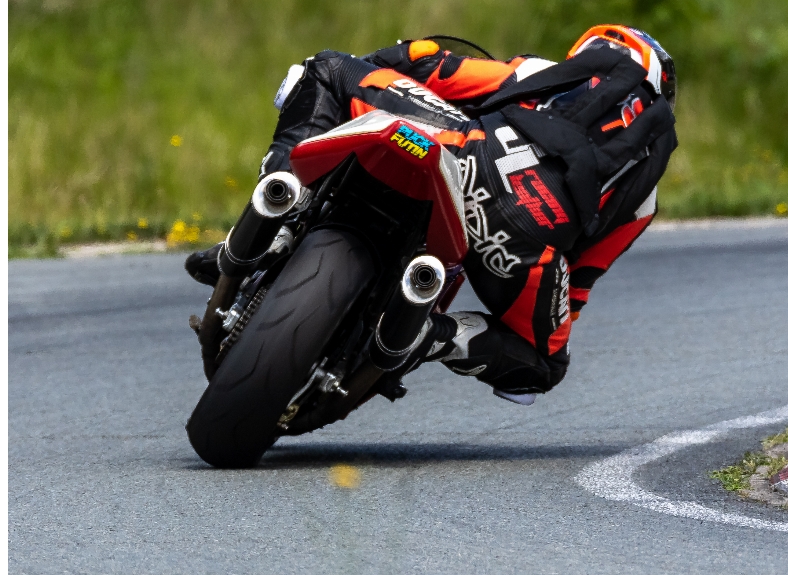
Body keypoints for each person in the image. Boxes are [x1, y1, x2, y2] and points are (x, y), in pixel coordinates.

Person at [187, 25, 678, 404]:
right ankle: (428, 335)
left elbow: (433, 67)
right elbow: (580, 281)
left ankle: (281, 206)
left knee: (327, 70)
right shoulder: (643, 195)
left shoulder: (541, 73)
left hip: (463, 159)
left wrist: (397, 56)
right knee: (544, 365)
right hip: (523, 245)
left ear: (587, 53)